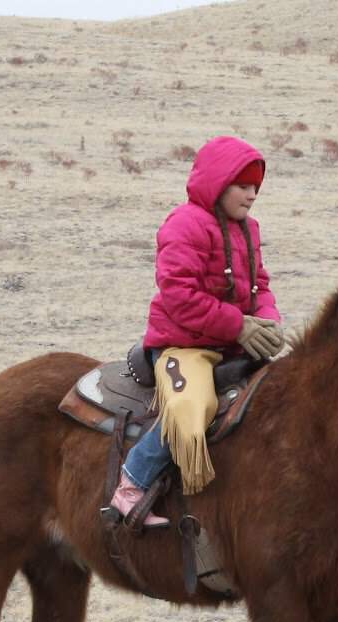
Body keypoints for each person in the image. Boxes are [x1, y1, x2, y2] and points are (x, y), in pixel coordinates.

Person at [108, 136, 286, 527]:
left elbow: (261, 284)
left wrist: (268, 321)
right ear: (219, 183)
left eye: (256, 186)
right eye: (243, 185)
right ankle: (131, 483)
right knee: (192, 408)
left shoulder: (248, 229)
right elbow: (178, 295)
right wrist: (238, 325)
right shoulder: (184, 225)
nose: (252, 194)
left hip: (232, 343)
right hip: (182, 344)